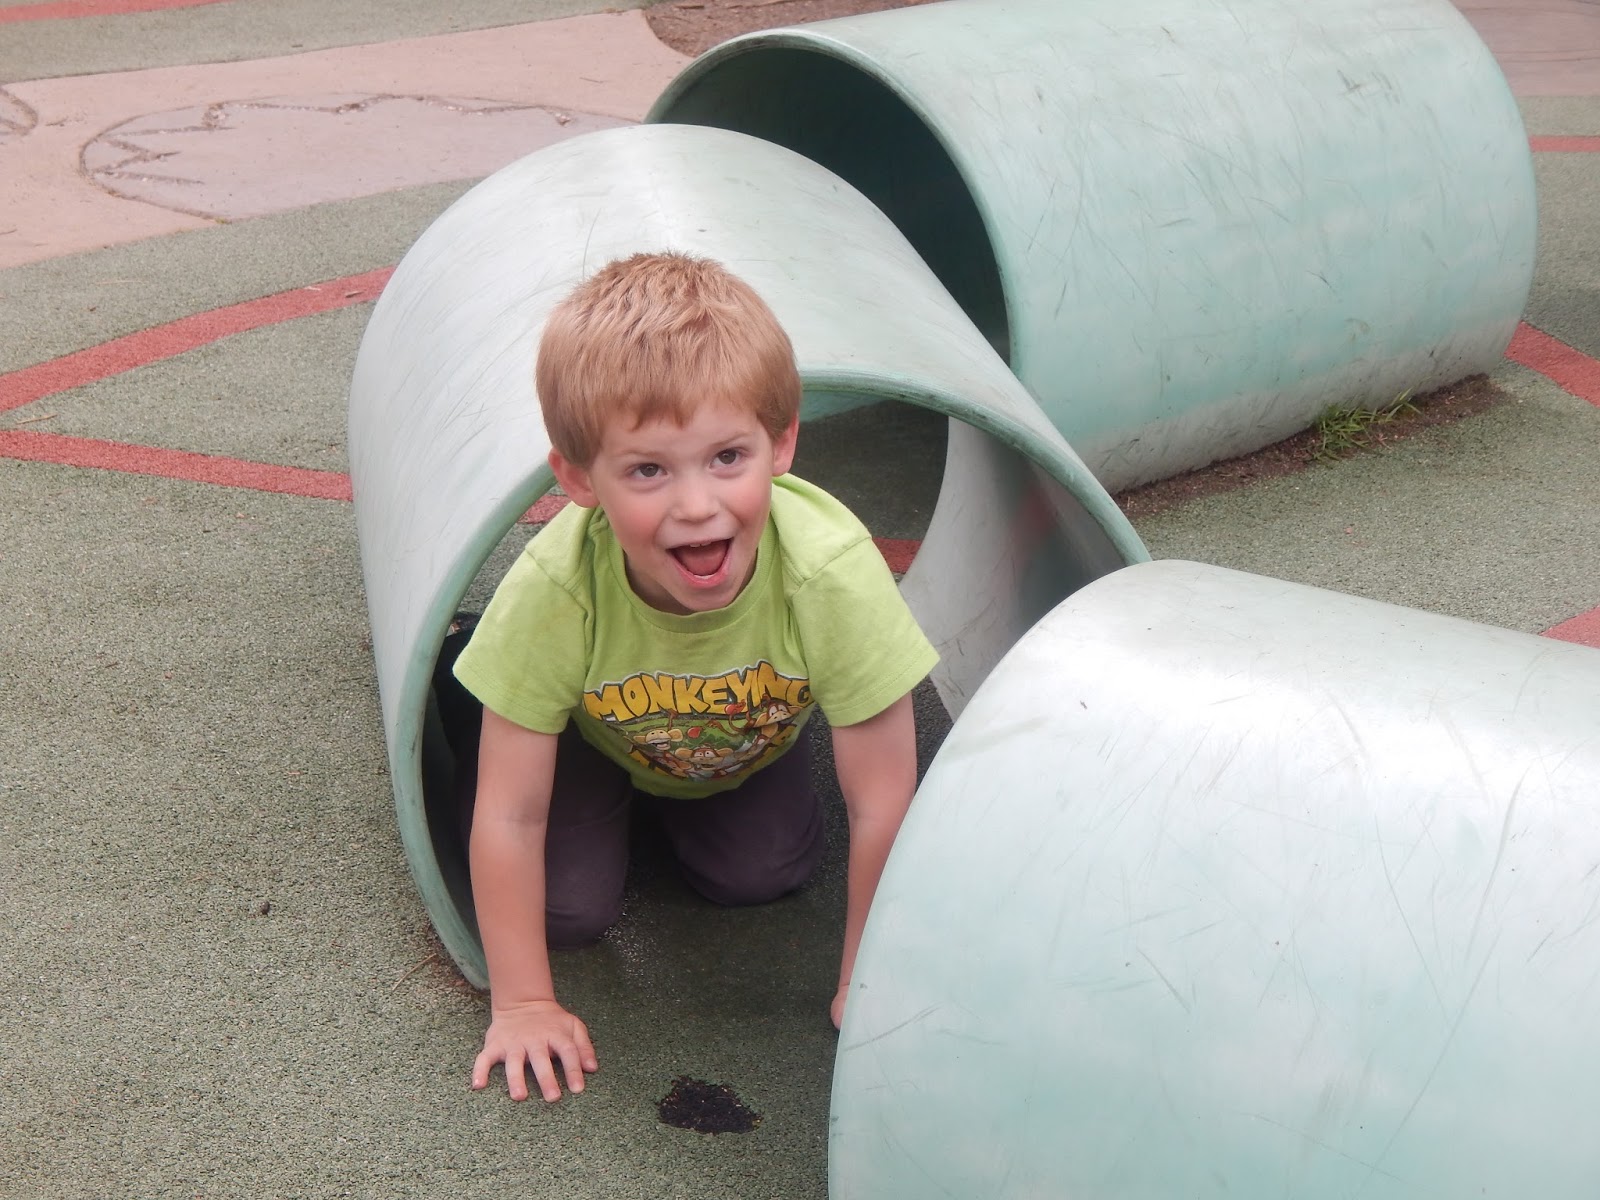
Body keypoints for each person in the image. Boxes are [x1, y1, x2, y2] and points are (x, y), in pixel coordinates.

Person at [448, 251, 937, 1104]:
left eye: (726, 457)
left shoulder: (828, 570)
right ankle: (460, 706)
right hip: (591, 742)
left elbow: (885, 799)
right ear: (576, 479)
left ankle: (668, 814)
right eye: (647, 470)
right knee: (568, 913)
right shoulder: (558, 588)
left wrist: (868, 980)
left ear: (781, 443)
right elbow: (511, 810)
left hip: (746, 734)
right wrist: (521, 1001)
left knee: (762, 874)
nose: (697, 505)